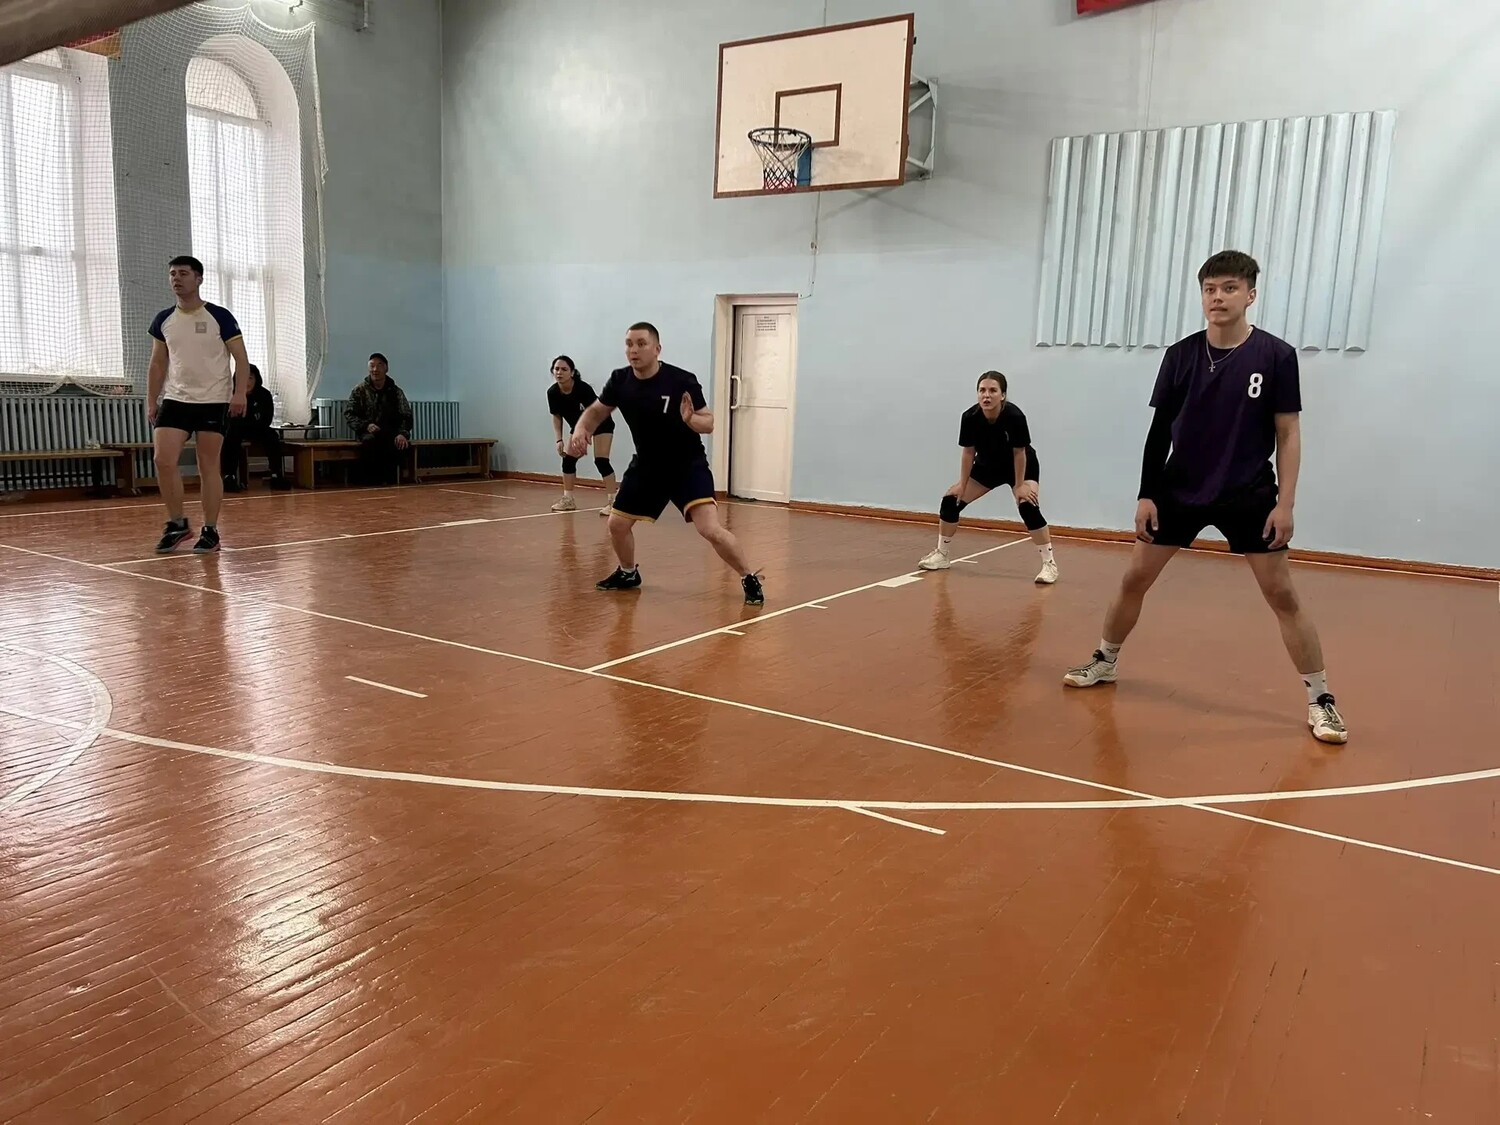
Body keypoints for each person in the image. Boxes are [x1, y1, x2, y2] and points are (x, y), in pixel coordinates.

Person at [1062, 250, 1348, 744]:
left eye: (1229, 288)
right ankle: (1105, 660)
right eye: (1210, 289)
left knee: (1281, 594)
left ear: (1250, 295)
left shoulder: (1276, 356)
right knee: (1134, 578)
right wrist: (1147, 493)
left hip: (1248, 492)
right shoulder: (1181, 356)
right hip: (1179, 490)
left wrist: (1286, 503)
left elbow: (1288, 432)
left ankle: (1320, 699)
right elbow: (1159, 432)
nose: (1218, 297)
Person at [566, 322, 764, 605]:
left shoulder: (681, 380)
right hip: (647, 466)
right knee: (617, 524)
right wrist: (581, 430)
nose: (633, 350)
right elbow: (596, 411)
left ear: (657, 349)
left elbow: (708, 423)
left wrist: (690, 419)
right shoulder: (620, 380)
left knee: (709, 529)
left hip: (687, 465)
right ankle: (628, 573)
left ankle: (748, 577)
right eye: (629, 344)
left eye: (641, 344)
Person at [146, 255, 249, 553]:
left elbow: (241, 359)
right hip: (176, 399)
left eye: (183, 273)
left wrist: (239, 393)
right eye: (172, 274)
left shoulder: (219, 316)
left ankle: (211, 530)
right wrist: (151, 399)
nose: (176, 279)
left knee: (208, 465)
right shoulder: (164, 320)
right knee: (163, 460)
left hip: (213, 400)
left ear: (199, 279)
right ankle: (177, 524)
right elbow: (158, 363)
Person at [917, 371, 1059, 584]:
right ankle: (942, 555)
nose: (986, 395)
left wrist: (1020, 485)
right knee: (951, 501)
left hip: (1019, 465)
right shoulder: (969, 417)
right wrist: (962, 484)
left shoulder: (1015, 416)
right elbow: (968, 453)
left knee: (1027, 506)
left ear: (1003, 395)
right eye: (982, 390)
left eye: (993, 390)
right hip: (988, 466)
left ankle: (1049, 565)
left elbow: (1019, 453)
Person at [546, 355, 616, 515]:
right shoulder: (552, 393)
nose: (559, 372)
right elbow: (556, 416)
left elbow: (596, 413)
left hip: (601, 423)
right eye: (556, 369)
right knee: (568, 461)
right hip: (578, 427)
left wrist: (586, 435)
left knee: (601, 461)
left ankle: (614, 503)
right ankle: (568, 500)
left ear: (572, 372)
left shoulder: (583, 389)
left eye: (564, 369)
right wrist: (559, 439)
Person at [345, 353, 413, 486]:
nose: (375, 369)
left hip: (391, 432)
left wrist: (402, 433)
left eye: (379, 365)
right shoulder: (359, 390)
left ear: (386, 368)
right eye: (372, 366)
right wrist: (365, 425)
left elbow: (406, 415)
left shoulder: (396, 392)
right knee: (370, 442)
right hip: (368, 432)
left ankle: (393, 480)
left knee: (398, 443)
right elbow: (350, 414)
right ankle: (371, 481)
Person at [222, 364, 291, 491]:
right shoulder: (230, 394)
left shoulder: (264, 395)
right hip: (236, 428)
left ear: (256, 379)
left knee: (272, 435)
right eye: (243, 378)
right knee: (231, 435)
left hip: (258, 428)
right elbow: (228, 418)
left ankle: (276, 475)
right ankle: (229, 476)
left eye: (250, 378)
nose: (247, 382)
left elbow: (267, 419)